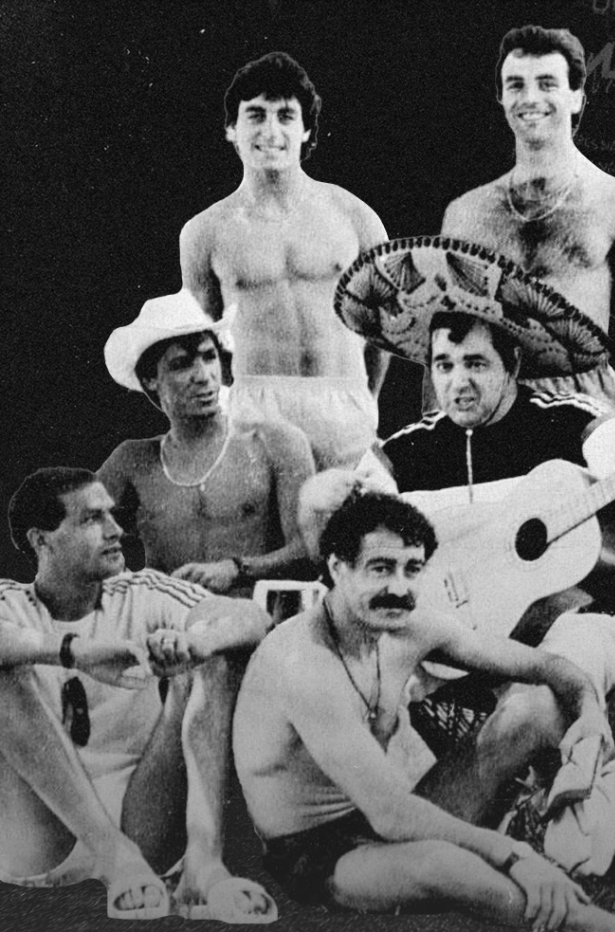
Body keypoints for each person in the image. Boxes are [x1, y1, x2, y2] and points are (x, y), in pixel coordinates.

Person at [326, 237, 615, 921]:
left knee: (553, 687)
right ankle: (600, 875)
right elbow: (350, 540)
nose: (458, 382)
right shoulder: (402, 452)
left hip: (568, 628)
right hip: (452, 649)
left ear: (513, 365)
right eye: (443, 365)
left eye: (476, 363)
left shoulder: (578, 424)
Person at [234, 487, 615, 931]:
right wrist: (514, 856)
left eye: (412, 569)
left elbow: (548, 668)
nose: (399, 587)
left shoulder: (407, 626)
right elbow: (390, 815)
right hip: (320, 853)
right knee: (446, 864)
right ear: (337, 567)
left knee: (542, 710)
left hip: (397, 808)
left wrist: (589, 715)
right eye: (380, 569)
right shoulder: (306, 665)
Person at [0, 467, 275, 921]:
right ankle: (113, 859)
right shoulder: (9, 600)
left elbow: (252, 618)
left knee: (215, 656)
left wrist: (196, 643)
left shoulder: (142, 589)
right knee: (5, 673)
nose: (116, 530)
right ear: (40, 540)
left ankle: (204, 865)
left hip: (144, 819)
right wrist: (75, 650)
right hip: (41, 835)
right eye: (92, 519)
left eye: (112, 515)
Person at [440, 25, 615, 445]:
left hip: (587, 408)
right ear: (501, 97)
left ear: (576, 97)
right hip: (492, 407)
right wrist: (441, 443)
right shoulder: (465, 213)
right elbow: (443, 337)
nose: (530, 98)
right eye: (516, 85)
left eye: (547, 84)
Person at [180, 51, 389, 470]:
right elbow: (203, 338)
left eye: (286, 116)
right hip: (256, 410)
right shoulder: (204, 232)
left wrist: (367, 399)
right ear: (231, 129)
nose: (270, 131)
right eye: (255, 115)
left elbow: (383, 325)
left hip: (343, 401)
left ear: (306, 129)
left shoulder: (354, 215)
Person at [98, 290, 316, 593]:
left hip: (254, 614)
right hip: (169, 617)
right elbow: (75, 530)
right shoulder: (133, 460)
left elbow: (310, 551)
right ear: (150, 379)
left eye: (209, 356)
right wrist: (128, 591)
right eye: (181, 364)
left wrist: (237, 569)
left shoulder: (275, 442)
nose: (203, 376)